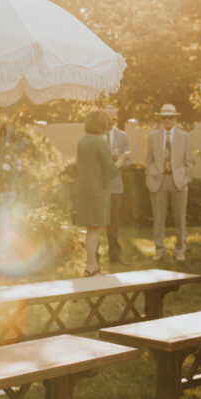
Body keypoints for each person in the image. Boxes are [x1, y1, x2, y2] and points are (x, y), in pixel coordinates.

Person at [76, 109, 125, 276]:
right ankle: (91, 267)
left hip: (85, 191)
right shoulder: (100, 142)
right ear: (100, 123)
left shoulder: (82, 141)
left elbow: (90, 164)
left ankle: (92, 266)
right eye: (106, 120)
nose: (108, 123)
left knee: (91, 230)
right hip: (98, 192)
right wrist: (121, 160)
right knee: (95, 230)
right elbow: (110, 171)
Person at [145, 104, 193, 262]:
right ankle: (159, 249)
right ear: (160, 118)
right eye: (164, 117)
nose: (167, 120)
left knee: (179, 218)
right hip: (159, 181)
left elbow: (188, 162)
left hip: (178, 181)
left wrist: (185, 178)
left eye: (170, 117)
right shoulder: (153, 136)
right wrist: (152, 173)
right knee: (158, 218)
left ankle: (180, 249)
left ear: (175, 118)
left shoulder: (184, 136)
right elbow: (149, 160)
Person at [104, 106, 131, 263]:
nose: (111, 122)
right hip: (100, 185)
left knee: (113, 223)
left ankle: (114, 255)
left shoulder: (122, 136)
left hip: (115, 186)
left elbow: (129, 161)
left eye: (114, 119)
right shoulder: (97, 135)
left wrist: (119, 159)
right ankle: (95, 256)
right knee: (98, 223)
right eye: (108, 118)